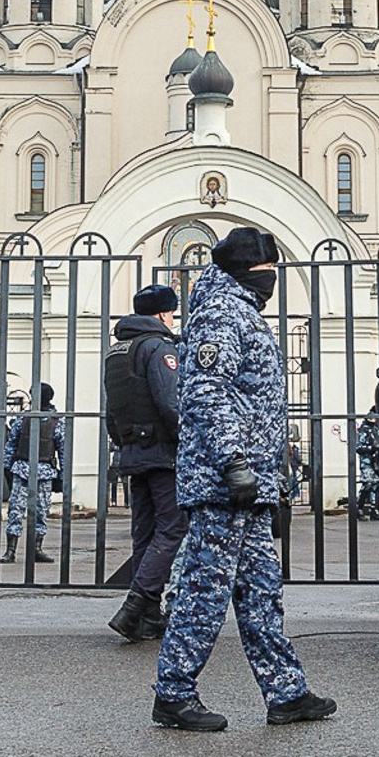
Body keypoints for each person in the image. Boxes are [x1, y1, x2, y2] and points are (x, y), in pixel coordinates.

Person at [150, 225, 333, 731]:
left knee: (259, 588)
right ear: (250, 272)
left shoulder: (241, 313)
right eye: (268, 270)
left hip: (247, 483)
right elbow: (206, 393)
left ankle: (286, 692)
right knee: (206, 589)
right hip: (224, 483)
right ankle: (173, 692)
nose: (273, 278)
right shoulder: (222, 314)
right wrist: (233, 463)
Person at [106, 283, 185, 641]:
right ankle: (134, 607)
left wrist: (123, 442)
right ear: (162, 314)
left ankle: (148, 618)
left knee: (145, 533)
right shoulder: (158, 347)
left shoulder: (118, 350)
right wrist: (188, 440)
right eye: (171, 312)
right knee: (173, 528)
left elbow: (112, 409)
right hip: (162, 452)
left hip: (132, 451)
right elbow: (170, 402)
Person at [3, 383, 62, 566]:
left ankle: (36, 549)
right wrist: (7, 467)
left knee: (41, 512)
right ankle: (10, 550)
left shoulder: (56, 421)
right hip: (22, 469)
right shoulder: (23, 418)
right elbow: (11, 444)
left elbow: (62, 449)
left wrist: (63, 476)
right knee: (15, 511)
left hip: (44, 471)